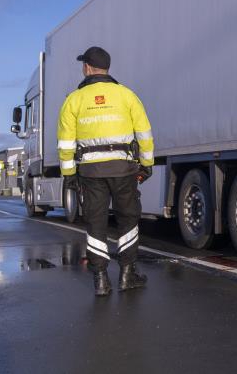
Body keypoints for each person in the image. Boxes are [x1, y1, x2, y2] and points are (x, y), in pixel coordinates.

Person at [57, 46, 155, 297]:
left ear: (87, 68)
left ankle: (100, 279)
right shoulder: (127, 95)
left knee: (96, 222)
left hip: (91, 173)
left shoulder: (74, 100)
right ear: (106, 68)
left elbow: (65, 144)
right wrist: (146, 164)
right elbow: (144, 134)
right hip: (124, 169)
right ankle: (127, 274)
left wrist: (69, 175)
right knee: (128, 219)